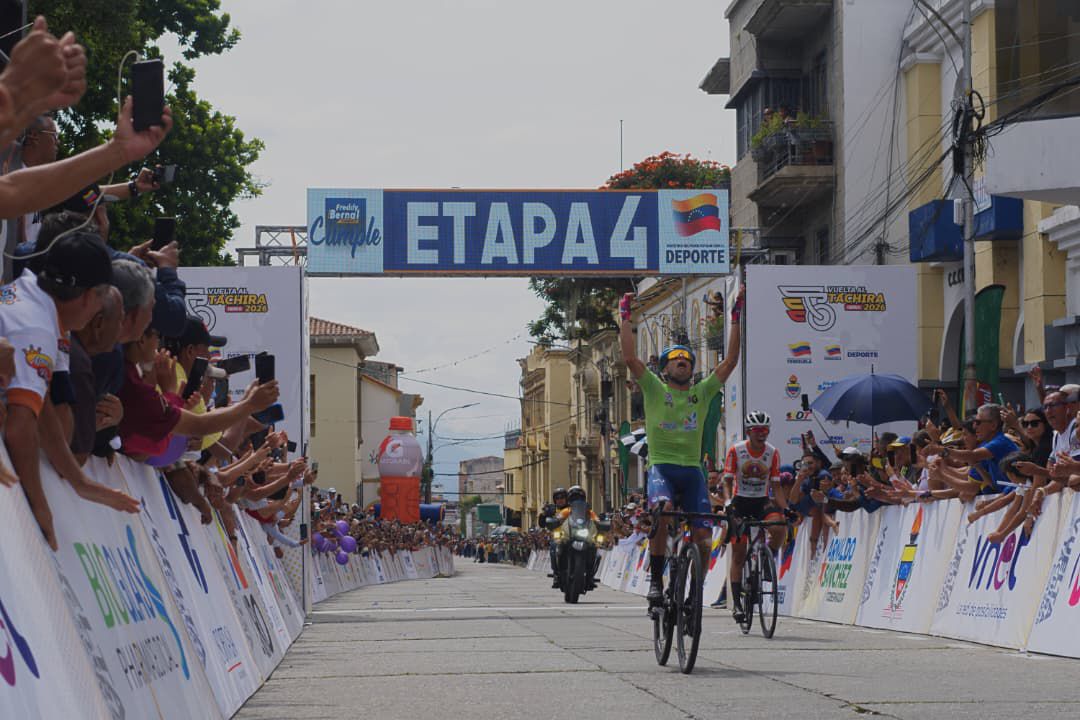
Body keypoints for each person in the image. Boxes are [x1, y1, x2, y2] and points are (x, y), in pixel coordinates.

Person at [619, 286, 744, 607]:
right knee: (662, 512)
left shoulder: (701, 393)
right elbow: (630, 358)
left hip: (693, 472)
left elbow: (730, 361)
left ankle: (694, 591)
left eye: (686, 359)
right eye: (674, 359)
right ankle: (655, 582)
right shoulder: (654, 389)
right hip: (662, 468)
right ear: (664, 369)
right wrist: (624, 317)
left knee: (704, 539)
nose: (682, 361)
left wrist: (735, 317)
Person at [723, 411, 791, 623]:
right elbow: (726, 482)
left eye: (765, 430)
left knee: (779, 527)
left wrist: (786, 508)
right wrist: (727, 503)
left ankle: (766, 556)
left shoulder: (773, 453)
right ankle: (736, 604)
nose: (762, 434)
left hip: (761, 500)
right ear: (749, 432)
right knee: (738, 554)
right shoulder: (736, 451)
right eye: (757, 431)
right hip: (740, 501)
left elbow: (776, 486)